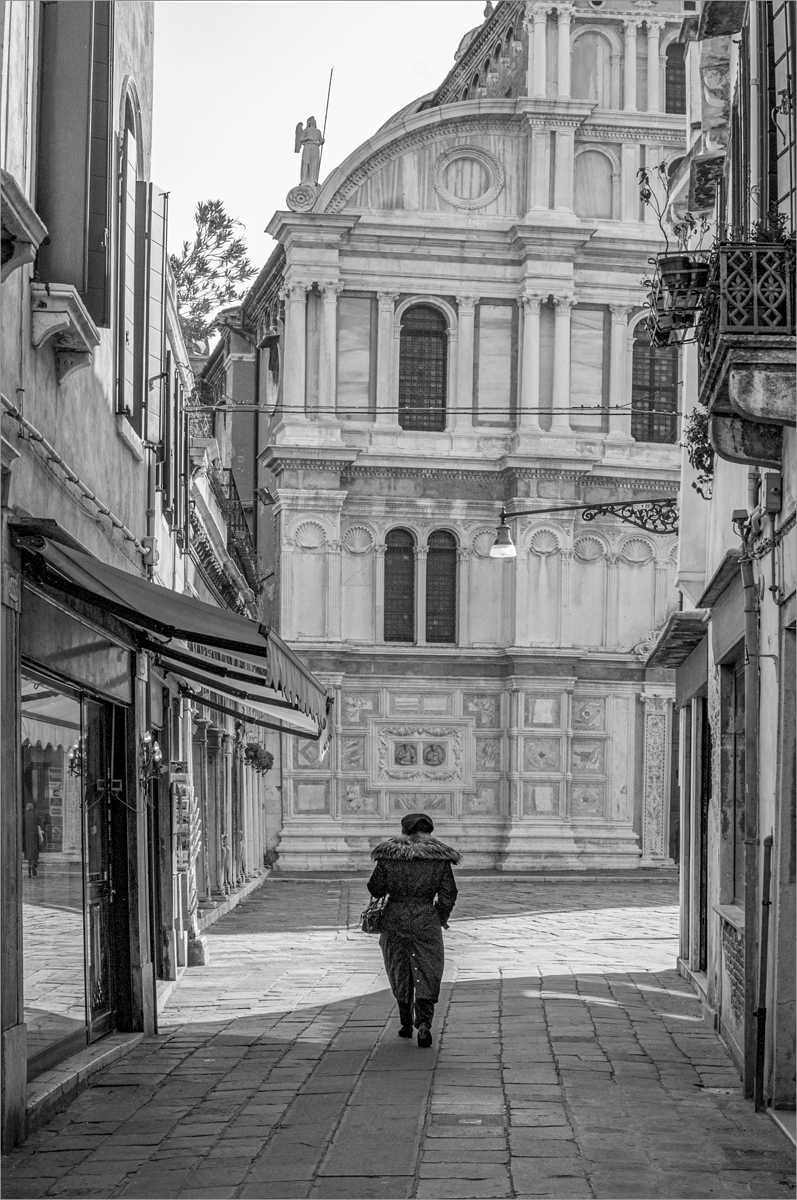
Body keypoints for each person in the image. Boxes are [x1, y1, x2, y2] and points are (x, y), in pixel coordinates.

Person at [366, 812, 460, 1048]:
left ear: (405, 831)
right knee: (429, 966)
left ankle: (406, 1023)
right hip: (426, 917)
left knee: (399, 966)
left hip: (395, 917)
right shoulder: (439, 858)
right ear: (430, 830)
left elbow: (375, 888)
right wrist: (440, 916)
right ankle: (425, 1023)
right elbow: (449, 893)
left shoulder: (390, 855)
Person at [23, 802, 41, 878]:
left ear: (27, 808)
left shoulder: (24, 816)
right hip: (34, 836)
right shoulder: (36, 815)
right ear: (32, 808)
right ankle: (34, 867)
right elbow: (39, 826)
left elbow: (22, 828)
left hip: (27, 838)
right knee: (34, 853)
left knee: (29, 854)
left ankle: (29, 870)